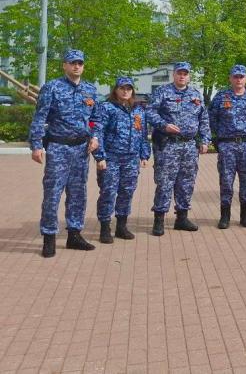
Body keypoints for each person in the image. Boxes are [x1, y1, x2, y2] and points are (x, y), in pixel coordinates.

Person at [29, 49, 100, 257]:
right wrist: (36, 145)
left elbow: (96, 118)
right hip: (59, 147)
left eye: (80, 63)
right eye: (72, 63)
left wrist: (95, 137)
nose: (76, 66)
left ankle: (74, 235)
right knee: (53, 193)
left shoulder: (90, 90)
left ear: (83, 66)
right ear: (65, 65)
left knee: (78, 193)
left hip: (81, 149)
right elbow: (39, 117)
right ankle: (49, 238)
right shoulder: (52, 87)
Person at [146, 62, 211, 236]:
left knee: (186, 182)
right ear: (173, 75)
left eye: (185, 74)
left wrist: (205, 140)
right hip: (168, 145)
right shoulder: (162, 92)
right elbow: (150, 112)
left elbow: (203, 119)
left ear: (189, 76)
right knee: (164, 182)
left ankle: (182, 218)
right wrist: (163, 125)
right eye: (179, 73)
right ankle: (159, 219)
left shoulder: (196, 94)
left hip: (189, 146)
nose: (182, 76)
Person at [93, 76, 151, 243]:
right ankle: (105, 228)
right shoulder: (106, 108)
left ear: (132, 91)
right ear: (116, 90)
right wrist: (100, 157)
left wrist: (144, 154)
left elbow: (143, 134)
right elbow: (98, 133)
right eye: (122, 88)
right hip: (111, 158)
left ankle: (121, 226)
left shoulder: (138, 110)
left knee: (127, 192)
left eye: (129, 88)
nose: (125, 91)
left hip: (131, 159)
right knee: (108, 192)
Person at [209, 65, 246, 229]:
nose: (238, 79)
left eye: (241, 77)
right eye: (235, 77)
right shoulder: (221, 96)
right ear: (230, 78)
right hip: (227, 144)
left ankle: (245, 216)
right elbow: (212, 118)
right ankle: (225, 216)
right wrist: (218, 136)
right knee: (226, 181)